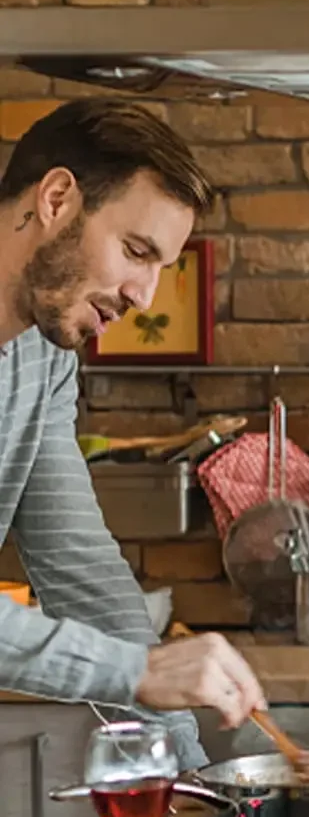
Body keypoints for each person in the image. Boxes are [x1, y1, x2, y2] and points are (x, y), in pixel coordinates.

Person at [0, 100, 267, 764]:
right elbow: (129, 663)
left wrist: (192, 782)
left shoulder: (45, 358)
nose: (145, 296)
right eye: (136, 251)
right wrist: (137, 672)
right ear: (57, 198)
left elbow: (82, 571)